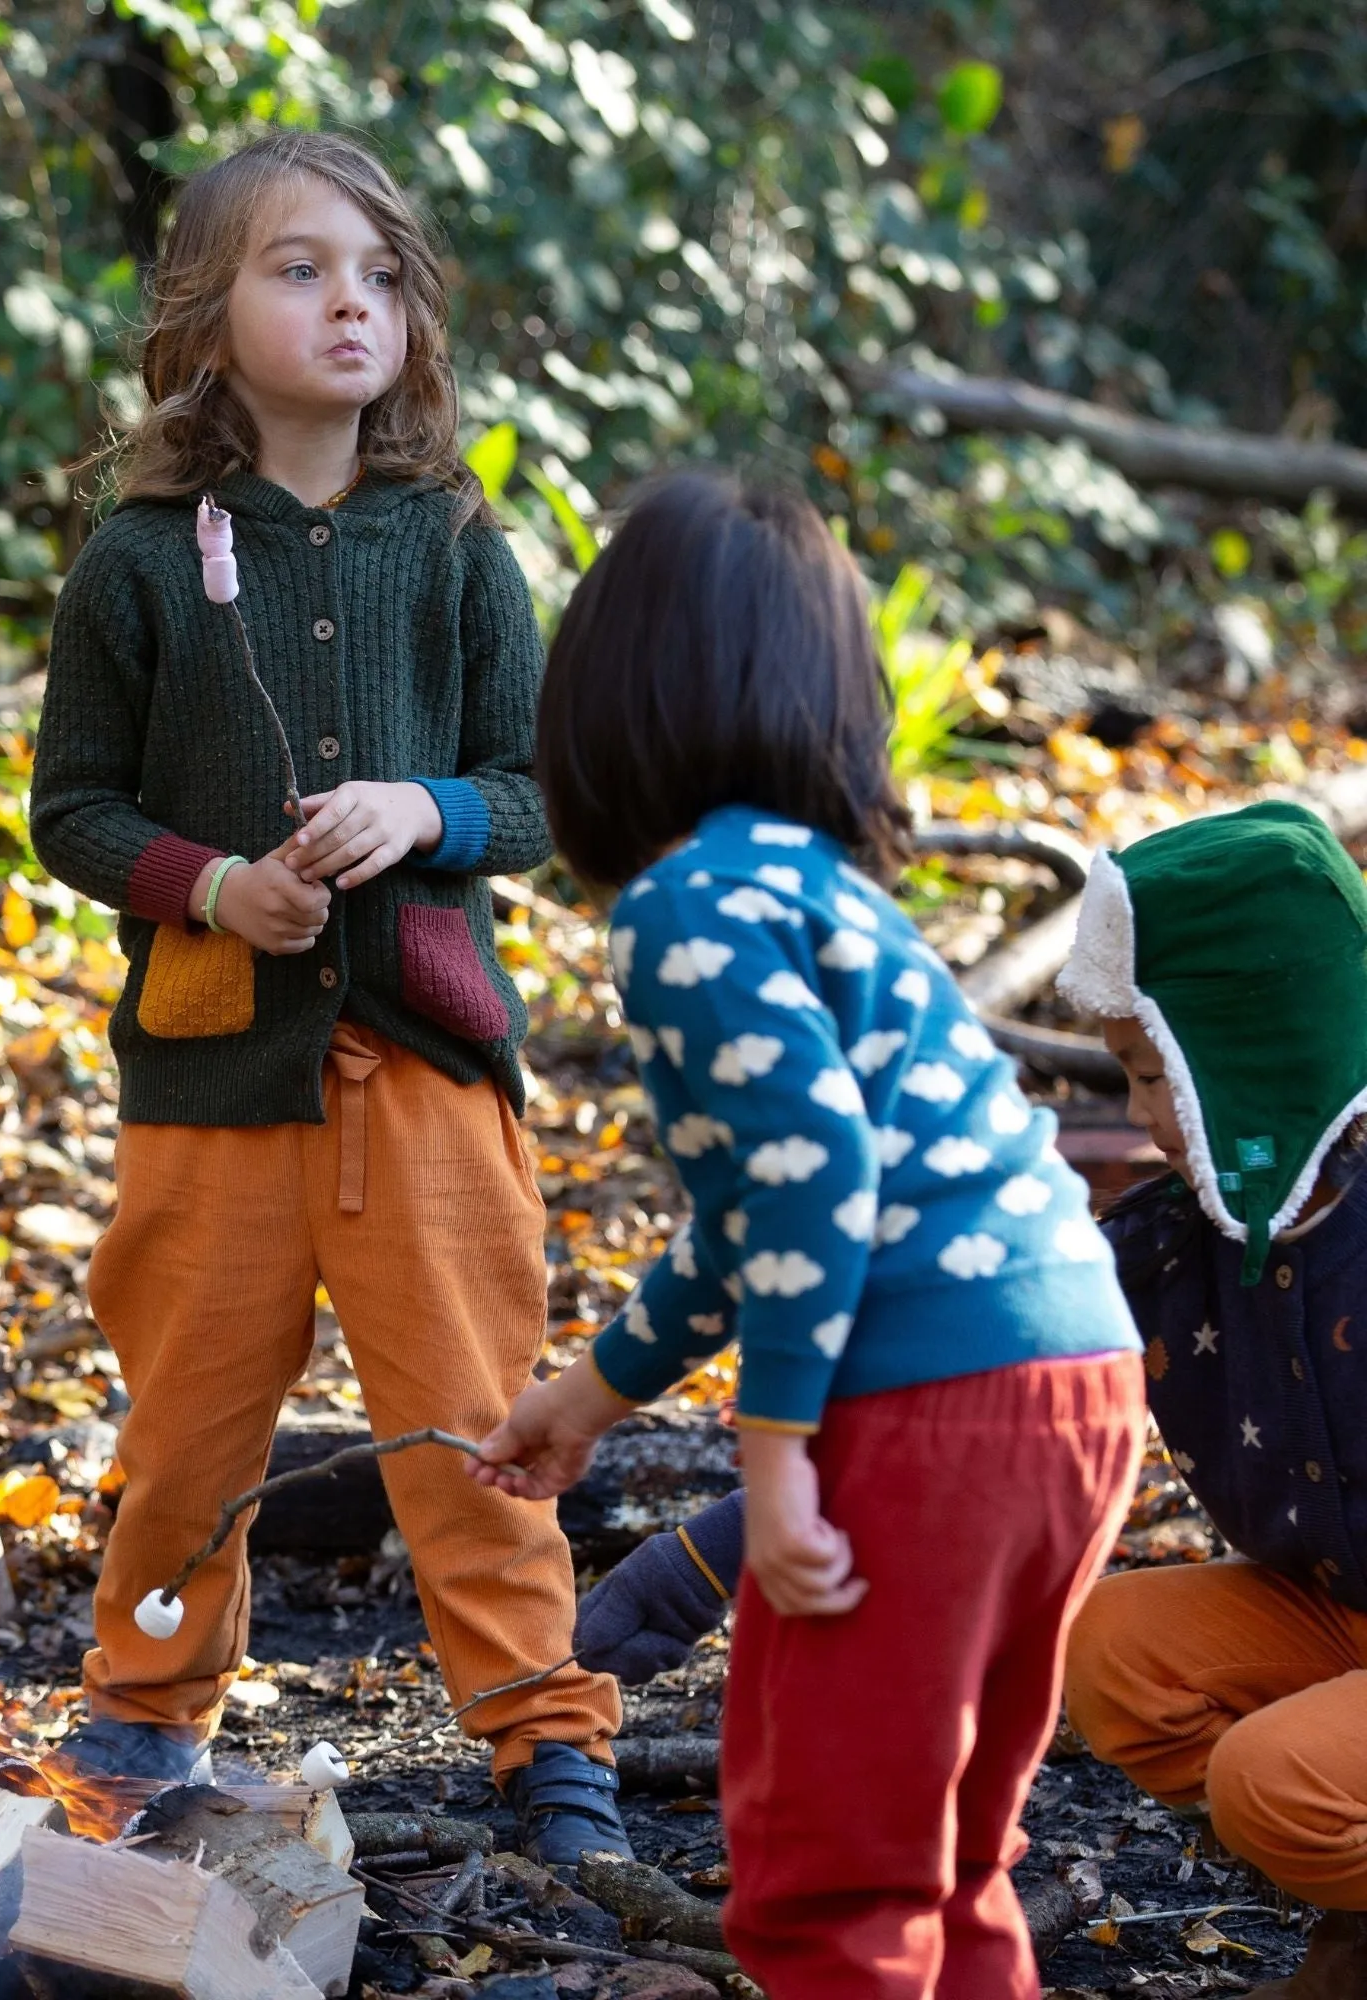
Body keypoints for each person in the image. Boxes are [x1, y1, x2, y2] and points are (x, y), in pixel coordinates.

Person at [28, 130, 626, 1863]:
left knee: (472, 1418)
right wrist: (218, 887)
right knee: (190, 1426)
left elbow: (542, 789)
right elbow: (72, 808)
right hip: (212, 1083)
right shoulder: (138, 561)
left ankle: (546, 1742)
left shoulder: (449, 543)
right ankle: (140, 1725)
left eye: (376, 275)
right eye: (300, 270)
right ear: (211, 321)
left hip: (426, 1071)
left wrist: (426, 810)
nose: (349, 301)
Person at [469, 472, 1145, 1997]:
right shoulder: (821, 895)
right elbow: (748, 1221)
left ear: (608, 702)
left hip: (940, 1414)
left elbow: (814, 1179)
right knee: (948, 1859)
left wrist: (772, 1469)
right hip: (1075, 1380)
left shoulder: (685, 906)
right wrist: (591, 1398)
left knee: (828, 1880)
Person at [1052, 803, 1367, 2000]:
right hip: (1338, 1611)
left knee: (1273, 1781)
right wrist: (712, 1559)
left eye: (1154, 1073)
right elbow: (982, 1389)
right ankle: (1355, 1904)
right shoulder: (1174, 1244)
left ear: (1252, 1047)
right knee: (1119, 1655)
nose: (1136, 1118)